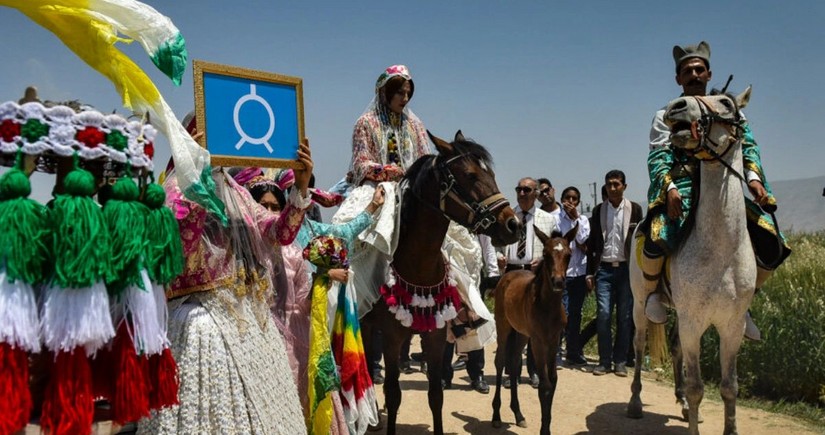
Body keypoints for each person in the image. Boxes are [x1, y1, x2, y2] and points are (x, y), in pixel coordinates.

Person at [137, 120, 311, 434]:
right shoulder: (175, 188)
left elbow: (278, 232)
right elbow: (181, 244)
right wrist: (195, 175)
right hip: (200, 321)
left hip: (248, 319)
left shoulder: (238, 192)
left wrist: (300, 187)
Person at [641, 41, 790, 340]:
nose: (694, 75)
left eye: (699, 69)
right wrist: (668, 187)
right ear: (678, 79)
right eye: (687, 71)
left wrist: (755, 179)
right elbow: (659, 156)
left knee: (772, 242)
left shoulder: (728, 108)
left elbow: (748, 146)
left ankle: (744, 303)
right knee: (656, 234)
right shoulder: (667, 114)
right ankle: (652, 293)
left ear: (709, 74)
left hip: (724, 186)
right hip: (681, 184)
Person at [334, 65, 433, 385]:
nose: (404, 98)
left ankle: (460, 311)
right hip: (378, 187)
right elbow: (361, 162)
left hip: (411, 190)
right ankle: (349, 290)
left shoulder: (415, 124)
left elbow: (424, 159)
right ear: (385, 92)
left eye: (408, 92)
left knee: (453, 236)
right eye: (399, 92)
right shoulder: (365, 123)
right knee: (348, 225)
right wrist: (387, 171)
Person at [497, 177, 560, 388]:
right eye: (519, 189)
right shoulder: (508, 216)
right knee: (511, 325)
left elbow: (554, 249)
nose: (522, 193)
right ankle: (510, 371)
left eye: (526, 190)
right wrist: (499, 256)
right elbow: (496, 242)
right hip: (512, 271)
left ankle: (535, 370)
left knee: (536, 326)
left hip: (535, 275)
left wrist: (542, 260)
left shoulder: (548, 219)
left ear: (536, 193)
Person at [586, 170, 643, 377]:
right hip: (604, 270)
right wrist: (589, 273)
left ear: (624, 186)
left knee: (625, 317)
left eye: (616, 184)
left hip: (627, 270)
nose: (612, 188)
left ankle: (620, 361)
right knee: (603, 315)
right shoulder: (599, 210)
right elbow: (593, 242)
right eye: (609, 184)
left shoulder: (635, 210)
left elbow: (639, 242)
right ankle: (604, 361)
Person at [558, 187, 590, 368]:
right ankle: (556, 351)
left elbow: (583, 241)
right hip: (562, 273)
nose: (571, 201)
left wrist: (575, 218)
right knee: (564, 314)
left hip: (579, 273)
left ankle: (573, 351)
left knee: (576, 314)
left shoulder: (583, 220)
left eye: (574, 198)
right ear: (562, 200)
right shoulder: (556, 219)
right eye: (567, 198)